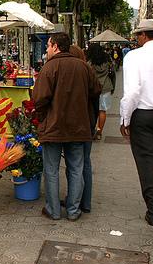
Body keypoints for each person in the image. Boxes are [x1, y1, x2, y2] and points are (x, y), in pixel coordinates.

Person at [33, 33, 101, 221]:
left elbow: (39, 99)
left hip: (54, 127)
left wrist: (43, 115)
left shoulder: (49, 67)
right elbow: (96, 90)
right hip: (78, 127)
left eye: (48, 45)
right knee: (76, 168)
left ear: (55, 46)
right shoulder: (84, 67)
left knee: (51, 169)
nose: (46, 49)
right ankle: (73, 210)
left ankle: (53, 210)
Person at [120, 19, 153, 227]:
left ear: (143, 35)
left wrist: (125, 118)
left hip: (143, 114)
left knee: (146, 161)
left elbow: (132, 91)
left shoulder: (134, 57)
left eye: (137, 35)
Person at [69, 45, 99, 213]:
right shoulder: (88, 72)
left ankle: (74, 200)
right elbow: (96, 98)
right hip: (87, 123)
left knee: (74, 165)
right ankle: (85, 202)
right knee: (85, 162)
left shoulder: (67, 73)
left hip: (72, 125)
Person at [87, 43, 115, 141]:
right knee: (102, 111)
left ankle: (93, 130)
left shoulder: (89, 63)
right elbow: (113, 74)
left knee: (93, 110)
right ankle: (99, 132)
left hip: (93, 89)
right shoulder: (108, 61)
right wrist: (113, 88)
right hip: (106, 87)